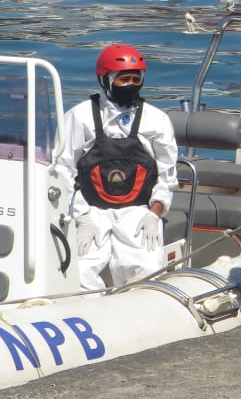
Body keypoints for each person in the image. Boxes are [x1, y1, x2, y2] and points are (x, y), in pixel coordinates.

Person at [57, 44, 178, 291]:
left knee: (146, 269)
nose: (131, 84)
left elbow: (167, 175)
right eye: (124, 79)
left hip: (138, 211)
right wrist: (82, 216)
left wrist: (154, 214)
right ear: (106, 80)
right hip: (91, 211)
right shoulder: (79, 117)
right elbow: (62, 168)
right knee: (80, 271)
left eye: (136, 78)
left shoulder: (157, 120)